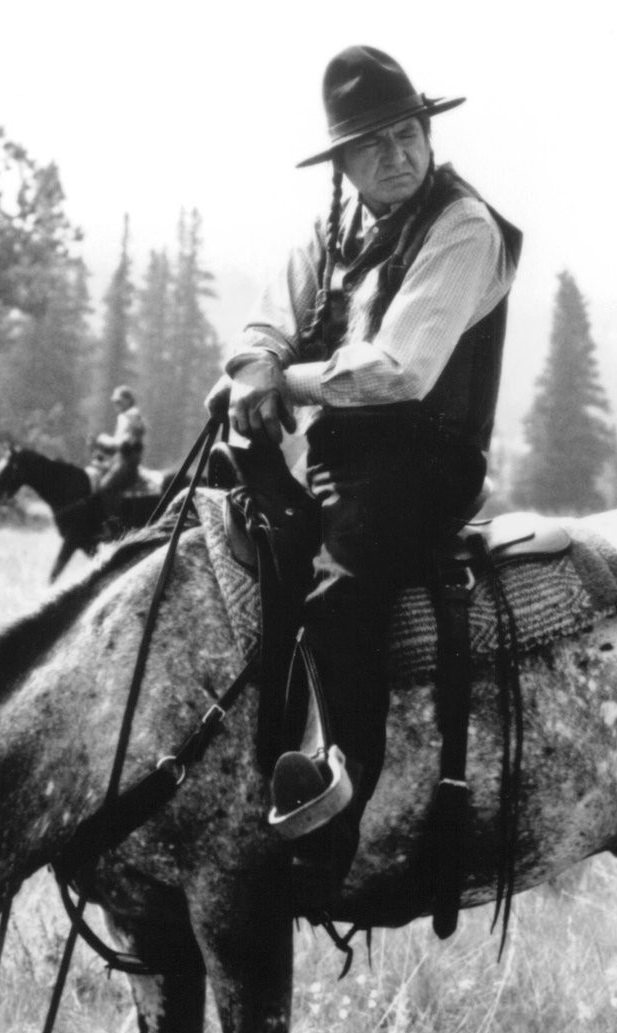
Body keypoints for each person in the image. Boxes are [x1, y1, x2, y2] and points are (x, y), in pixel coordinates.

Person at [212, 45, 521, 910]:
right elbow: (268, 318)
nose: (396, 154)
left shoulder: (464, 227)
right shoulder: (334, 233)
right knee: (224, 548)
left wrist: (284, 382)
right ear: (342, 164)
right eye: (372, 143)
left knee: (340, 594)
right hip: (341, 457)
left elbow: (399, 370)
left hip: (424, 459)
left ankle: (329, 824)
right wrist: (253, 362)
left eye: (406, 134)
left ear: (427, 134)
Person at [89, 385, 148, 499]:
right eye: (115, 402)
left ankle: (111, 511)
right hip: (122, 459)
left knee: (105, 488)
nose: (116, 405)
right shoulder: (129, 415)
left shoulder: (130, 416)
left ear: (128, 400)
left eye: (119, 402)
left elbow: (123, 443)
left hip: (127, 462)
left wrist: (104, 439)